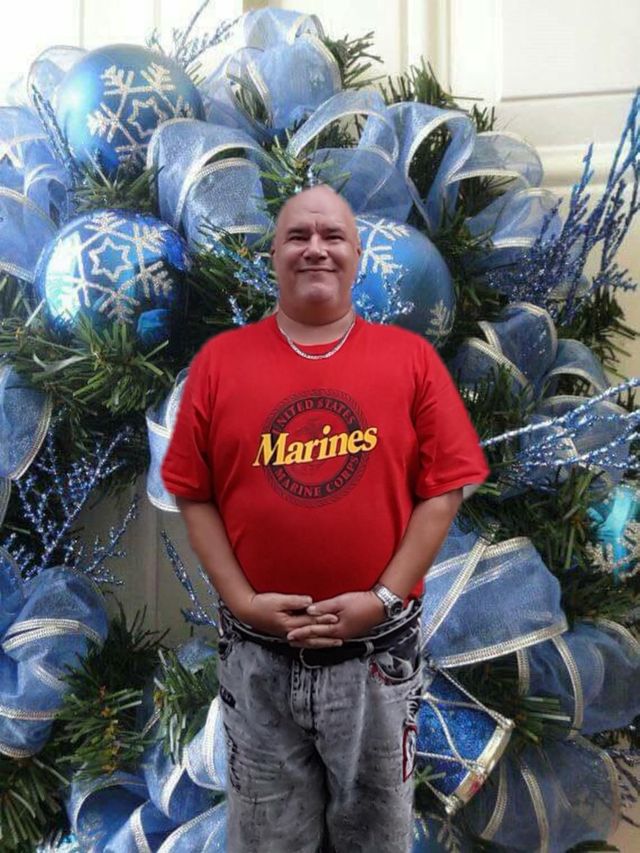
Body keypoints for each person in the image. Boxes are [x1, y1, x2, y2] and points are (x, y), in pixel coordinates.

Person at [161, 184, 490, 853]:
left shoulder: (411, 361)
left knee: (375, 838)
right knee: (266, 840)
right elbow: (195, 495)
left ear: (357, 256)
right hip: (256, 662)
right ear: (274, 255)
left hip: (376, 665)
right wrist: (242, 599)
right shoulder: (220, 364)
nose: (316, 248)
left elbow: (444, 491)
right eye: (298, 235)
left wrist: (382, 597)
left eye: (333, 236)